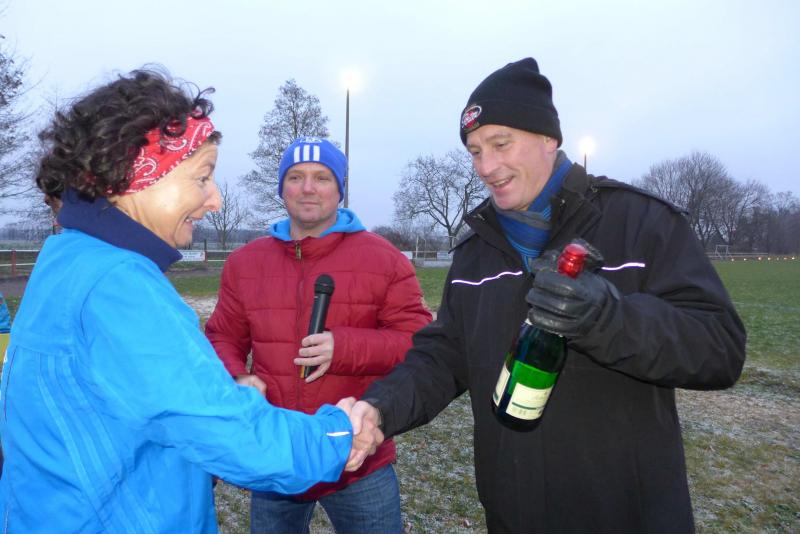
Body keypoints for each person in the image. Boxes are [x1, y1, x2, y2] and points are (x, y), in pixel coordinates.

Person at [348, 57, 747, 533]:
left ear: (548, 139)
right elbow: (443, 357)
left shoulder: (640, 223)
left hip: (628, 517)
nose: (486, 167)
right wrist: (380, 408)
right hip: (514, 514)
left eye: (501, 144)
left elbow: (720, 349)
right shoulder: (476, 253)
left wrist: (608, 319)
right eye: (475, 151)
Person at [0, 69, 357, 533]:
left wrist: (223, 399)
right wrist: (339, 434)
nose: (214, 200)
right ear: (135, 175)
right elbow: (234, 439)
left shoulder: (67, 257)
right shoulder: (118, 284)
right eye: (202, 177)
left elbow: (133, 410)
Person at [205, 136, 431, 533]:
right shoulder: (244, 263)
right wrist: (237, 376)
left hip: (357, 453)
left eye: (322, 177)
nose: (308, 188)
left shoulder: (384, 259)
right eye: (295, 177)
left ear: (339, 189)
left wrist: (344, 347)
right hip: (279, 450)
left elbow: (419, 342)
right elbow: (222, 336)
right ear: (282, 188)